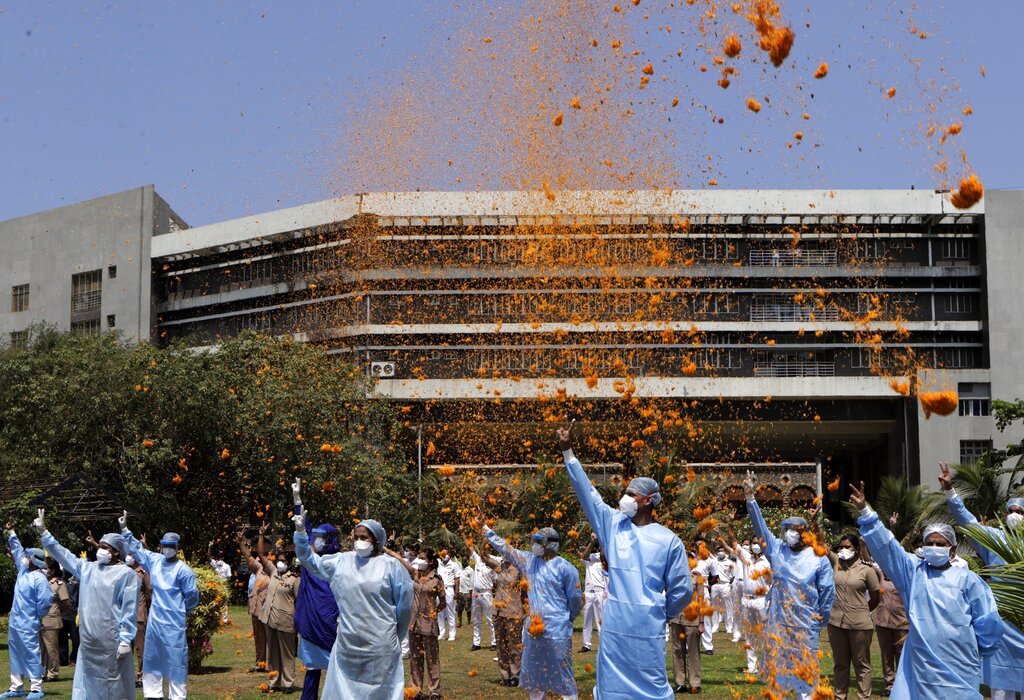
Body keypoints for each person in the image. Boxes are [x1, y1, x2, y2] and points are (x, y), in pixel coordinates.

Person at [559, 421, 692, 700]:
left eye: (631, 494)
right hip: (615, 628)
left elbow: (683, 590)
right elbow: (588, 495)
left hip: (648, 629)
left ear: (647, 501)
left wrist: (657, 612)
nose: (625, 498)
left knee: (651, 687)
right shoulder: (613, 525)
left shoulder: (669, 541)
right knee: (611, 689)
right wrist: (568, 452)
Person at [851, 481, 1004, 698]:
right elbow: (888, 547)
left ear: (952, 549)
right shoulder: (913, 573)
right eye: (929, 543)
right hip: (922, 664)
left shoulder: (969, 580)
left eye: (940, 544)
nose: (934, 547)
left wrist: (977, 649)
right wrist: (865, 511)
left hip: (960, 664)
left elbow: (988, 623)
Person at [292, 491, 412, 699]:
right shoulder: (341, 561)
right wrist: (301, 534)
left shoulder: (391, 566)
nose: (358, 541)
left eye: (363, 537)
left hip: (381, 645)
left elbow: (404, 608)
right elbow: (310, 561)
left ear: (375, 540)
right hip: (348, 644)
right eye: (356, 537)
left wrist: (397, 637)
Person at [743, 471, 835, 700]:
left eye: (794, 530)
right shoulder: (776, 550)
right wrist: (750, 498)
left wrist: (818, 620)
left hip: (805, 628)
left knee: (805, 679)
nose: (789, 534)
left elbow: (827, 593)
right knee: (777, 679)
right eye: (787, 530)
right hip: (778, 625)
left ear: (804, 534)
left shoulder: (818, 558)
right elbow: (760, 527)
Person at [939, 462, 1024, 700]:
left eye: (1020, 511)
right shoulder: (995, 540)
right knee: (1001, 691)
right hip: (1005, 628)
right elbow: (968, 523)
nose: (1015, 515)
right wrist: (950, 492)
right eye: (1012, 511)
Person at [36, 508, 139, 699]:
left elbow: (129, 608)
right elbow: (63, 555)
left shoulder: (127, 575)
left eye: (105, 547)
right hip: (89, 642)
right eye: (99, 546)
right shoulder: (88, 569)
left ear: (117, 552)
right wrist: (44, 533)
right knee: (88, 685)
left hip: (112, 641)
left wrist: (125, 638)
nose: (100, 550)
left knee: (113, 685)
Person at [477, 520, 582, 700]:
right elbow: (505, 549)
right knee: (534, 673)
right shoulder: (529, 561)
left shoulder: (566, 568)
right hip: (533, 629)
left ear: (551, 544)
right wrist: (485, 528)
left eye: (539, 542)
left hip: (557, 629)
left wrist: (566, 619)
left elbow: (575, 599)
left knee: (563, 672)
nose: (535, 545)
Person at [120, 512, 199, 700]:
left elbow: (192, 597)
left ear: (177, 548)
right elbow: (138, 550)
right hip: (155, 623)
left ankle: (177, 696)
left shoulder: (184, 571)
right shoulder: (155, 561)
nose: (167, 549)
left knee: (176, 661)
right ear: (161, 546)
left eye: (171, 546)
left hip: (174, 624)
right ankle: (153, 695)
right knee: (152, 659)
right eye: (165, 546)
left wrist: (180, 612)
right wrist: (125, 531)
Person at [291, 480, 342, 700]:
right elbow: (303, 528)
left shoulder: (338, 561)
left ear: (330, 540)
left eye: (321, 538)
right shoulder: (310, 560)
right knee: (312, 669)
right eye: (316, 537)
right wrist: (297, 501)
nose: (316, 540)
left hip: (331, 623)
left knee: (336, 669)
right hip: (311, 621)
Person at [826, 533, 880, 700]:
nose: (843, 550)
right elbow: (821, 546)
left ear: (856, 549)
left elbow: (876, 596)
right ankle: (840, 696)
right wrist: (814, 522)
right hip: (836, 623)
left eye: (847, 547)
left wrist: (862, 610)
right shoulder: (837, 564)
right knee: (840, 664)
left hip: (860, 625)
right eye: (841, 547)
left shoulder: (867, 570)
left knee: (861, 664)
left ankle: (864, 697)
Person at [2, 518, 52, 700]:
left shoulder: (40, 579)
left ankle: (36, 688)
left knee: (31, 653)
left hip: (29, 623)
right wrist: (11, 532)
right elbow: (16, 550)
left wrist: (35, 617)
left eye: (27, 555)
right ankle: (16, 688)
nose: (23, 557)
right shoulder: (23, 572)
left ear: (34, 560)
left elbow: (45, 603)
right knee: (15, 653)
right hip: (15, 622)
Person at [253, 524, 301, 694]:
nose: (280, 563)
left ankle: (288, 683)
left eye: (284, 561)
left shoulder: (295, 579)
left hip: (286, 620)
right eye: (279, 560)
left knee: (286, 654)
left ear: (289, 563)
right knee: (272, 653)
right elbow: (261, 555)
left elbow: (299, 601)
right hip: (269, 618)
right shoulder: (273, 572)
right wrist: (261, 535)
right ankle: (274, 680)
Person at [404, 547, 445, 699]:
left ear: (431, 561)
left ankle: (434, 691)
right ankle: (416, 690)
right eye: (419, 557)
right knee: (415, 657)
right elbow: (403, 563)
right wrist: (387, 550)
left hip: (429, 624)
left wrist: (432, 613)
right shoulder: (415, 575)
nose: (419, 561)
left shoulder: (437, 579)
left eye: (423, 558)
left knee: (432, 658)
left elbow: (443, 602)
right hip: (414, 623)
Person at [668, 553, 706, 694]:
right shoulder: (673, 575)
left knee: (693, 651)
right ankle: (680, 683)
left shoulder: (697, 577)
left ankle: (695, 682)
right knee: (677, 650)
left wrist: (701, 622)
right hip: (676, 618)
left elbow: (701, 601)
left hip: (692, 619)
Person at [872, 559, 908, 698]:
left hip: (901, 623)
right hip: (882, 622)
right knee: (886, 655)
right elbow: (868, 561)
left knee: (901, 655)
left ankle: (901, 685)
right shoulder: (881, 575)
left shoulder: (904, 579)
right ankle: (889, 685)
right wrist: (863, 545)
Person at [238, 532, 271, 673]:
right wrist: (241, 541)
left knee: (271, 637)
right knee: (259, 637)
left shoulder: (274, 569)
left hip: (270, 609)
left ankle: (273, 663)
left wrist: (261, 537)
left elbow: (260, 552)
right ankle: (260, 663)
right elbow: (248, 556)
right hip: (257, 609)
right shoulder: (259, 568)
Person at [491, 556, 526, 687]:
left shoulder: (518, 569)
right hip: (498, 611)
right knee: (501, 644)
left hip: (514, 611)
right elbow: (484, 557)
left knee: (514, 644)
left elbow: (525, 590)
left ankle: (515, 674)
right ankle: (505, 675)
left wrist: (526, 607)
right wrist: (485, 539)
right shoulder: (499, 567)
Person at [40, 558, 70, 682]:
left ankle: (53, 673)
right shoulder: (41, 581)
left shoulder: (58, 584)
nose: (44, 570)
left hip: (51, 619)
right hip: (40, 619)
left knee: (51, 648)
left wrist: (57, 612)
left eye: (46, 568)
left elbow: (66, 602)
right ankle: (43, 671)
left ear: (53, 570)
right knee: (42, 648)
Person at [690, 537, 719, 655]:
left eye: (701, 545)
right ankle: (689, 645)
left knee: (705, 620)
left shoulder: (709, 560)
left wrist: (706, 585)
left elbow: (716, 578)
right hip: (691, 591)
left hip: (704, 591)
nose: (699, 547)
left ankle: (708, 646)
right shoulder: (690, 559)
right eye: (697, 545)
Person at [127, 549, 151, 687]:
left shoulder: (143, 573)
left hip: (138, 614)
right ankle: (127, 675)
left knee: (140, 648)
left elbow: (149, 591)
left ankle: (142, 676)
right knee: (125, 647)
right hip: (126, 614)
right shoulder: (125, 571)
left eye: (131, 555)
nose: (128, 557)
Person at [579, 533, 607, 653]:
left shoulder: (604, 559)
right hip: (588, 593)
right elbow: (583, 555)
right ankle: (586, 644)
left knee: (601, 620)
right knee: (586, 620)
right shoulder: (589, 558)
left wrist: (600, 540)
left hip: (600, 592)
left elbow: (605, 553)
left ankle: (603, 645)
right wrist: (592, 541)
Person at [466, 542, 497, 652]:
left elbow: (497, 580)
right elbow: (470, 548)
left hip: (486, 593)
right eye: (483, 550)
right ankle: (476, 643)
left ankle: (494, 642)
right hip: (476, 593)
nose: (484, 551)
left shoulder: (493, 564)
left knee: (490, 619)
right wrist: (464, 534)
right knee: (476, 619)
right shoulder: (478, 560)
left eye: (486, 550)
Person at [710, 544, 736, 639]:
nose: (721, 552)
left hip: (725, 584)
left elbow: (733, 576)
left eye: (722, 550)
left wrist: (729, 585)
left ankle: (729, 627)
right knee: (715, 607)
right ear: (717, 553)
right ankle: (715, 626)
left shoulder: (729, 562)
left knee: (728, 606)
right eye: (719, 551)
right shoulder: (714, 561)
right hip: (715, 585)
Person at [435, 549, 461, 642]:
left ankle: (452, 634)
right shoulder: (438, 563)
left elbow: (457, 578)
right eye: (442, 554)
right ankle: (441, 633)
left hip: (449, 588)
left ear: (449, 555)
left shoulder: (454, 565)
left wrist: (457, 591)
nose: (444, 555)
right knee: (440, 612)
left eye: (446, 554)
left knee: (451, 612)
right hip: (439, 589)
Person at [457, 559, 474, 629]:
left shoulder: (470, 570)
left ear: (468, 561)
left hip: (467, 592)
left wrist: (470, 593)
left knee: (468, 609)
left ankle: (468, 623)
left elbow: (472, 582)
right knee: (459, 609)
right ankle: (459, 622)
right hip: (460, 592)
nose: (463, 562)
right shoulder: (460, 568)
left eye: (465, 560)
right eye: (462, 560)